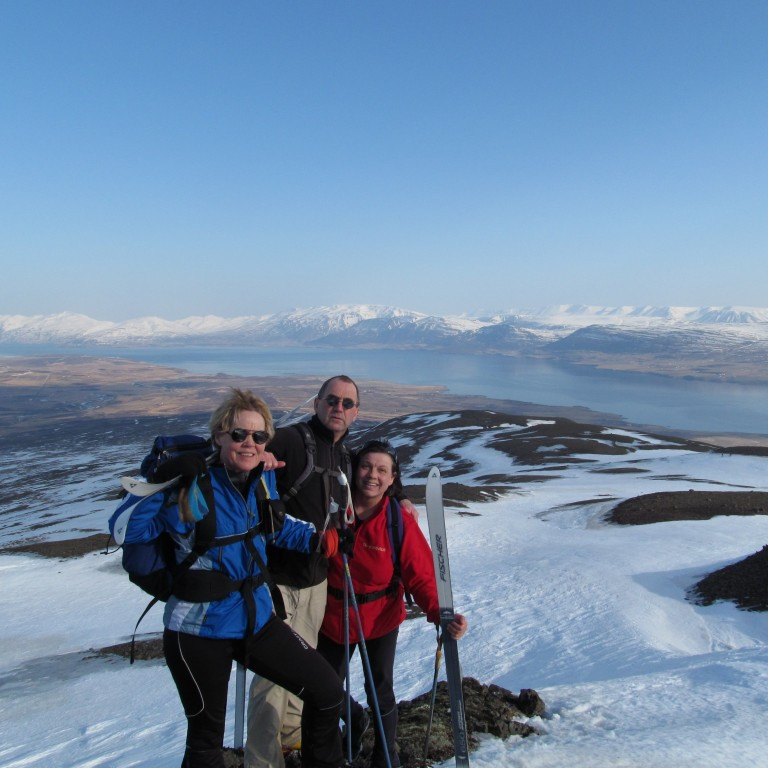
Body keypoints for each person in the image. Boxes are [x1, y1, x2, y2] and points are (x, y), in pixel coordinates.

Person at [109, 388, 346, 768]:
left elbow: (273, 527)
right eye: (239, 434)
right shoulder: (190, 484)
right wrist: (159, 481)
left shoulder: (260, 481)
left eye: (259, 435)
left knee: (327, 692)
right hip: (198, 629)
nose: (249, 443)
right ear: (219, 436)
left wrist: (320, 540)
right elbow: (125, 529)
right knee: (206, 745)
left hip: (256, 617)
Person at [317, 439, 468, 768]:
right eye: (366, 466)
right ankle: (347, 729)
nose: (372, 475)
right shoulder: (332, 510)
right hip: (333, 616)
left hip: (380, 618)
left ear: (392, 478)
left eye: (381, 470)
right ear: (355, 470)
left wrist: (440, 614)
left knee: (380, 691)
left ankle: (386, 757)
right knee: (324, 689)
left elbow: (421, 576)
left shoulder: (398, 521)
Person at [245, 375, 361, 767]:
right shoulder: (292, 441)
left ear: (355, 412)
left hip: (315, 583)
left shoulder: (344, 455)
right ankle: (262, 761)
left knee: (303, 670)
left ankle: (291, 741)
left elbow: (374, 480)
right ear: (317, 403)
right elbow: (247, 462)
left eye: (347, 403)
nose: (338, 408)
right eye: (332, 400)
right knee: (272, 681)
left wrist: (400, 496)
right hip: (277, 583)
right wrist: (259, 457)